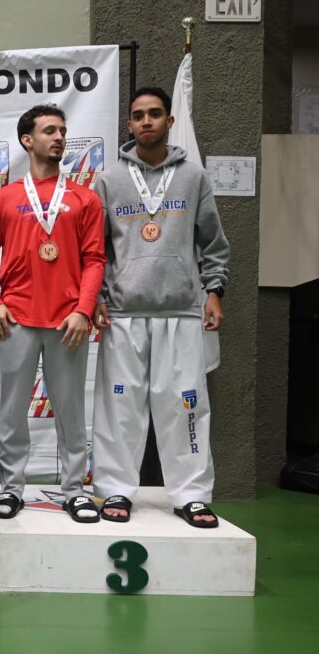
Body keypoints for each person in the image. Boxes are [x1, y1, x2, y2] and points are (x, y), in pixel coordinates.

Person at [92, 86, 229, 528]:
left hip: (181, 311)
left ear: (170, 122)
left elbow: (213, 242)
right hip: (124, 312)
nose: (146, 121)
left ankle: (191, 494)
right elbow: (95, 249)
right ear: (129, 125)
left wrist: (213, 290)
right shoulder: (109, 179)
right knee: (120, 406)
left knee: (184, 404)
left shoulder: (193, 177)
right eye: (138, 115)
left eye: (154, 114)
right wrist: (94, 297)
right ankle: (115, 490)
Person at [0, 104, 106, 522]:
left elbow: (95, 260)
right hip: (16, 321)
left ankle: (73, 490)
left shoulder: (85, 199)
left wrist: (84, 310)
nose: (59, 137)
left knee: (70, 411)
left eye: (63, 130)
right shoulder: (4, 199)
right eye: (50, 130)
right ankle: (10, 487)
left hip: (68, 322)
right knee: (12, 412)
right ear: (28, 140)